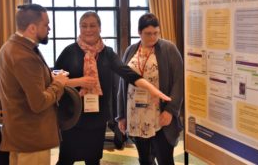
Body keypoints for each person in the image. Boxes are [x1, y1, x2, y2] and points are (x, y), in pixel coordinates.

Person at [54, 11, 171, 165]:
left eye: (93, 25)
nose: (88, 29)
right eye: (84, 26)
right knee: (66, 160)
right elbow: (53, 81)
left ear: (100, 28)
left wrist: (152, 89)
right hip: (73, 117)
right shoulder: (69, 52)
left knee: (93, 159)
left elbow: (128, 73)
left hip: (97, 118)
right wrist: (79, 81)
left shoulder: (107, 53)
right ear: (79, 28)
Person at [0, 4, 69, 165]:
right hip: (32, 139)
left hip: (18, 135)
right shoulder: (24, 56)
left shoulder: (10, 47)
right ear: (32, 28)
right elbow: (39, 103)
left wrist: (50, 78)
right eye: (46, 24)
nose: (49, 28)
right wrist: (59, 84)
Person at [117, 13, 184, 165]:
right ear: (139, 32)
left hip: (160, 116)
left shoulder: (169, 49)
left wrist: (171, 110)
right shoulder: (130, 51)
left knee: (164, 158)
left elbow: (179, 82)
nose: (153, 37)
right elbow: (123, 84)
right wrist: (121, 115)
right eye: (148, 34)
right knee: (144, 159)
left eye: (156, 33)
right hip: (136, 115)